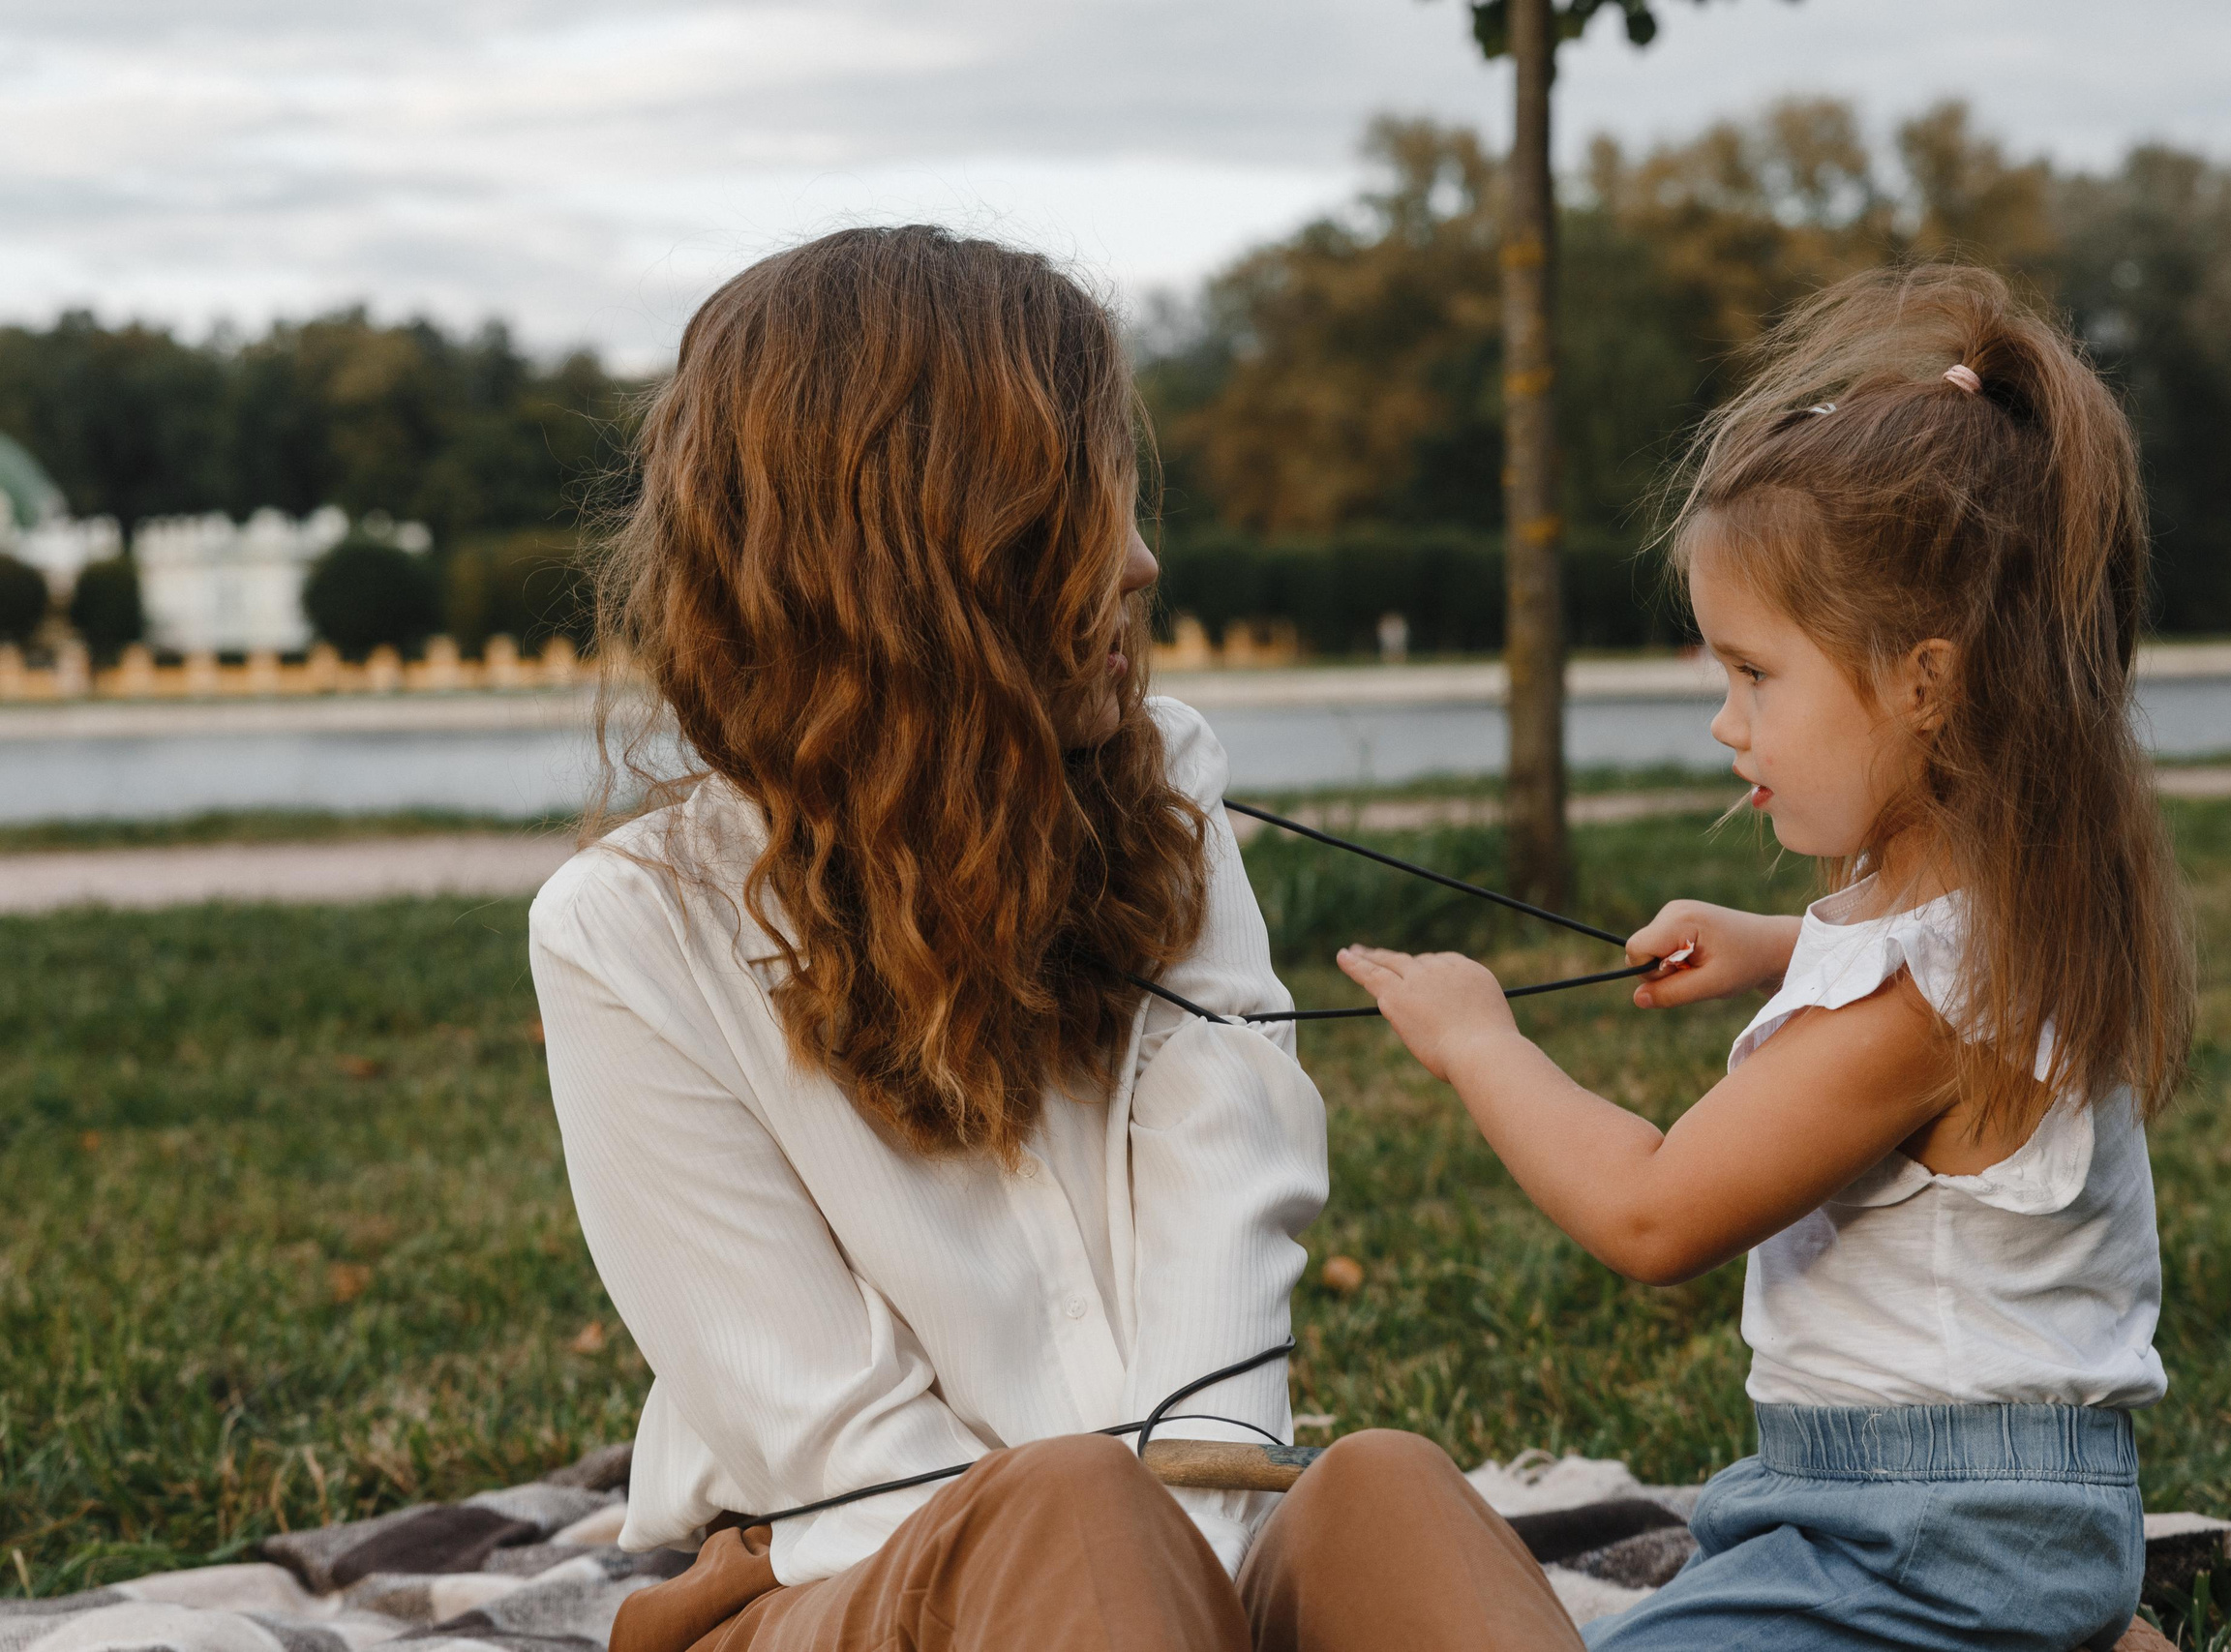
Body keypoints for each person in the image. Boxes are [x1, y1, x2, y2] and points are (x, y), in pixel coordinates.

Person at [530, 225, 1587, 1652]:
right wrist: (1125, 1546)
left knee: (1386, 1491)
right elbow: (835, 1441)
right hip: (847, 1577)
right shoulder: (626, 933)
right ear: (912, 563)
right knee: (1075, 1506)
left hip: (1163, 1546)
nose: (1144, 562)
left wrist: (1192, 1564)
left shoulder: (1161, 794)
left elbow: (1231, 1184)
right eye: (1080, 513)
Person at [1339, 264, 2194, 1651]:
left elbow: (1656, 1214)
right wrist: (1771, 946)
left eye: (1755, 675)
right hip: (1928, 1518)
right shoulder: (1988, 925)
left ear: (1927, 683)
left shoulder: (1912, 1007)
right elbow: (1910, 997)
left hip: (1924, 1545)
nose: (1728, 728)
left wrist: (1481, 1042)